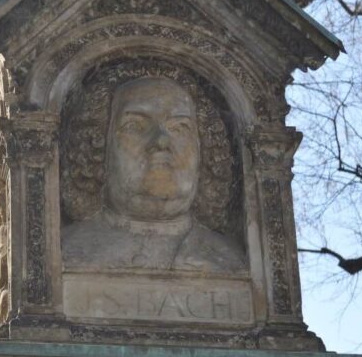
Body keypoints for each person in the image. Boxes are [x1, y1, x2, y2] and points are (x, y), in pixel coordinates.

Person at [62, 77, 245, 271]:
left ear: (205, 148)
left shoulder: (230, 261)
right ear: (98, 147)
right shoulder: (66, 252)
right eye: (135, 126)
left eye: (179, 127)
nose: (162, 141)